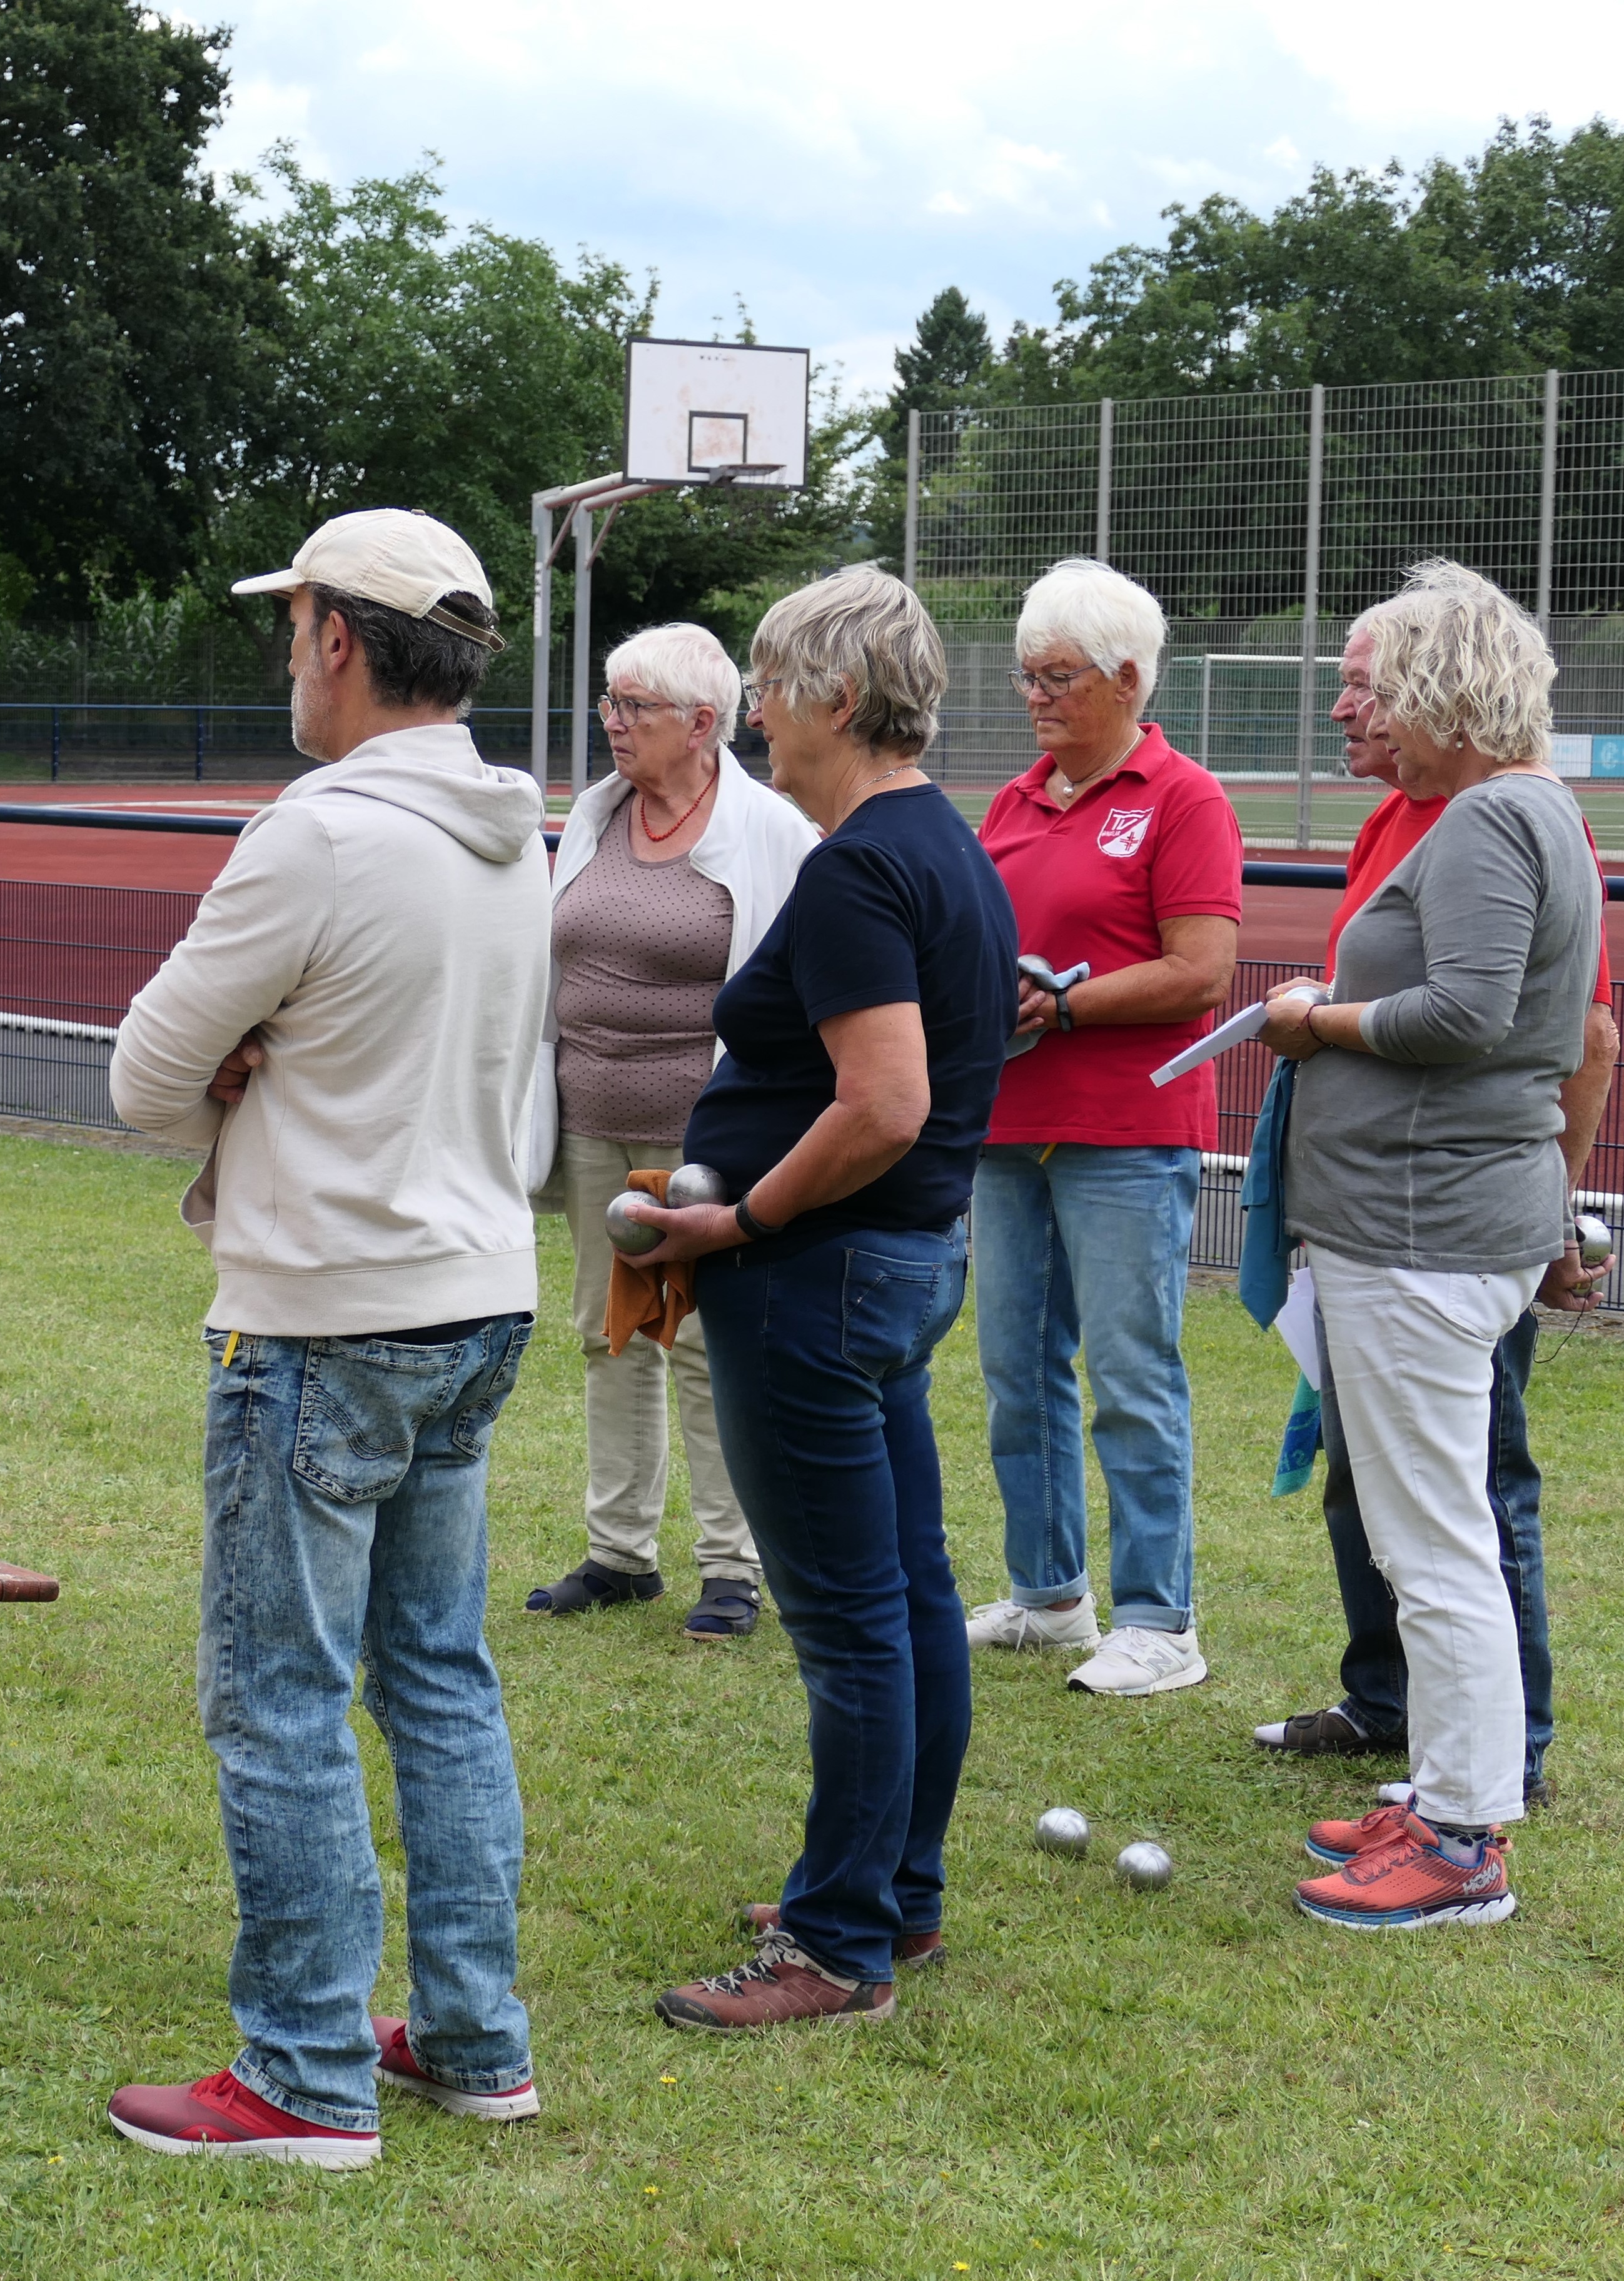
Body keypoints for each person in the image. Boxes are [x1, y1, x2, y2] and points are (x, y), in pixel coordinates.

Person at [102, 510, 550, 2165]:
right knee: (439, 1678)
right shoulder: (525, 835)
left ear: (342, 640)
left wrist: (247, 1072)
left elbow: (147, 1078)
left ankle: (302, 2075)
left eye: (294, 629)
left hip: (324, 1309)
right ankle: (472, 2037)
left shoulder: (323, 833)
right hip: (473, 1289)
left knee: (283, 1693)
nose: (287, 659)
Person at [628, 567, 1017, 2031]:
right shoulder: (942, 846)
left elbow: (886, 1100)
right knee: (905, 1596)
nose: (757, 722)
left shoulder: (856, 865)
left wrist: (735, 1214)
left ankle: (839, 1941)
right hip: (896, 1270)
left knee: (855, 1621)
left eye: (771, 690)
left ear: (834, 702)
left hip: (818, 1280)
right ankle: (887, 1895)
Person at [1259, 563, 1598, 1930]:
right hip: (1435, 1218)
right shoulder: (1529, 811)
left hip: (1421, 1228)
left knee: (1435, 1542)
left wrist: (1321, 1022)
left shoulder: (1483, 820)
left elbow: (1464, 1015)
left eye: (1387, 681)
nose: (1370, 708)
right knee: (1436, 1530)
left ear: (1444, 686)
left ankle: (1462, 1839)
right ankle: (1452, 1793)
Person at [962, 560, 1242, 1695]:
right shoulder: (1012, 802)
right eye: (1027, 674)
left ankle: (1160, 1617)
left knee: (1132, 1370)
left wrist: (1067, 1002)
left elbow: (1202, 971)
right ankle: (1046, 1593)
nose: (1036, 694)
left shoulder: (1184, 798)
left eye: (1058, 674)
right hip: (1006, 1120)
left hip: (1126, 1126)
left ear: (1128, 678)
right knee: (1015, 1370)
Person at [523, 620, 814, 1639]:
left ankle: (732, 1568)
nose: (612, 723)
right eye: (608, 702)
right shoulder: (597, 816)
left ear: (702, 723)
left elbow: (795, 986)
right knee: (609, 1336)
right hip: (592, 1120)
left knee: (700, 1347)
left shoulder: (770, 831)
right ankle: (617, 1553)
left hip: (705, 1143)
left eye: (632, 707)